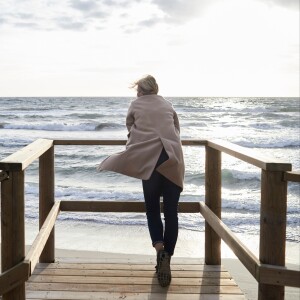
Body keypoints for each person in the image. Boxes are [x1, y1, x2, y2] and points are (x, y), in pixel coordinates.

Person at [97, 75, 185, 287]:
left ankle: (159, 250)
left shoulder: (135, 104)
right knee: (171, 211)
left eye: (137, 91)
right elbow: (176, 130)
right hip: (173, 159)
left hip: (151, 160)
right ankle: (167, 257)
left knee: (153, 209)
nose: (136, 95)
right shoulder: (167, 104)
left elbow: (130, 129)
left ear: (141, 92)